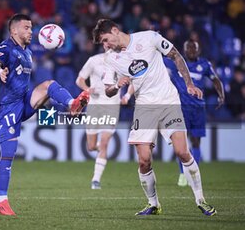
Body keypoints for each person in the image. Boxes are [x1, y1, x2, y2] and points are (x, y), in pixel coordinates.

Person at [92, 19, 217, 216]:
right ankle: (153, 204)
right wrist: (117, 86)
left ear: (115, 30)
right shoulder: (111, 59)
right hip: (144, 107)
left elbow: (175, 55)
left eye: (106, 40)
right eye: (103, 44)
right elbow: (107, 90)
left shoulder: (149, 38)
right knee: (144, 160)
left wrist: (189, 84)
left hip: (168, 101)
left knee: (183, 152)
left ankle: (201, 200)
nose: (106, 46)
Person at [0, 14, 89, 216]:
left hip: (22, 101)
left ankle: (72, 104)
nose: (30, 31)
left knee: (49, 85)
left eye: (31, 27)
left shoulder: (27, 53)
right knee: (9, 152)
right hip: (5, 107)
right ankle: (1, 200)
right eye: (26, 27)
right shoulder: (6, 47)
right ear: (14, 30)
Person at [164, 39, 225, 187]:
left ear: (199, 50)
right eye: (188, 48)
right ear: (183, 50)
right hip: (180, 109)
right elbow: (157, 57)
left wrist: (221, 94)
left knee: (196, 142)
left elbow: (215, 79)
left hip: (198, 110)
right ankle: (182, 174)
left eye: (194, 48)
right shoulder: (176, 62)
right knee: (181, 144)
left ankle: (193, 173)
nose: (191, 51)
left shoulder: (204, 64)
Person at [76, 51, 132, 190]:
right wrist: (87, 89)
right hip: (94, 105)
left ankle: (96, 180)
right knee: (91, 147)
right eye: (106, 42)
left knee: (105, 142)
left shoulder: (123, 61)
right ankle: (99, 147)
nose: (109, 46)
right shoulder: (94, 60)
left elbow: (133, 80)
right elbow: (79, 80)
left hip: (112, 106)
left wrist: (127, 96)